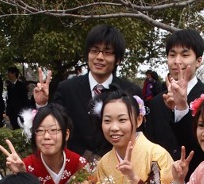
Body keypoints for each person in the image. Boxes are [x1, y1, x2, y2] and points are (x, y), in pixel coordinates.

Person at [32, 24, 141, 158]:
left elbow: (139, 134)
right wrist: (42, 104)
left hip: (119, 163)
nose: (99, 57)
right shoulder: (67, 88)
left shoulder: (131, 91)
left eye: (107, 52)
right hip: (74, 163)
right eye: (94, 51)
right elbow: (54, 125)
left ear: (117, 59)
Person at [0, 104, 89, 184]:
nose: (46, 136)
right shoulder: (25, 166)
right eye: (40, 130)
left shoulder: (79, 163)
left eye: (53, 130)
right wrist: (22, 176)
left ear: (66, 134)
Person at [143, 29, 204, 179]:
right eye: (172, 55)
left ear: (198, 61)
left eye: (185, 55)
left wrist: (181, 108)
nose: (177, 61)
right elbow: (150, 147)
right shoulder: (156, 102)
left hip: (197, 181)